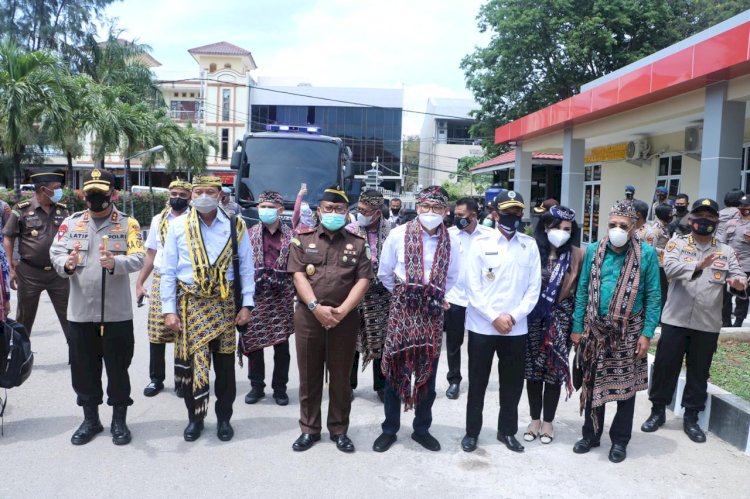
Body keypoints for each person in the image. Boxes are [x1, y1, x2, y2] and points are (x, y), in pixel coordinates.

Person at [49, 168, 145, 446]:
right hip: (80, 313)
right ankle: (91, 419)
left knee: (118, 369)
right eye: (90, 194)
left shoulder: (129, 224)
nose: (95, 199)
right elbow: (56, 251)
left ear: (113, 194)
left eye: (101, 194)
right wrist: (65, 264)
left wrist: (117, 263)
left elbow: (139, 257)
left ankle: (119, 421)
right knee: (83, 369)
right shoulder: (72, 223)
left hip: (116, 314)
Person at [642, 198, 747, 444]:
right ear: (691, 219)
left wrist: (739, 283)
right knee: (665, 368)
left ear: (716, 221)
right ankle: (657, 412)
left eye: (710, 218)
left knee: (699, 372)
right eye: (700, 215)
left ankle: (692, 417)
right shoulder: (676, 243)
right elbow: (670, 269)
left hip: (706, 323)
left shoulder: (726, 250)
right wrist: (699, 265)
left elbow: (737, 274)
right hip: (675, 320)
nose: (705, 221)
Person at [161, 175, 255, 442]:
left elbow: (247, 268)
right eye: (198, 191)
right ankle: (195, 418)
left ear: (220, 195)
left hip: (224, 306)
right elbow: (168, 271)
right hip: (191, 306)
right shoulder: (178, 226)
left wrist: (247, 304)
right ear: (191, 195)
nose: (203, 196)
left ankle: (224, 418)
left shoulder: (236, 226)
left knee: (225, 368)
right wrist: (169, 310)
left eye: (209, 191)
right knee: (192, 366)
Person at [571, 201, 661, 463]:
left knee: (625, 391)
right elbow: (583, 290)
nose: (617, 229)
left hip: (629, 332)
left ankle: (620, 441)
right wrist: (577, 327)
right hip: (594, 331)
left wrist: (646, 334)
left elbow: (654, 297)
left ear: (634, 227)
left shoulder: (646, 254)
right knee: (591, 383)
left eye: (623, 225)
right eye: (612, 225)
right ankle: (591, 435)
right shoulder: (594, 250)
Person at [373, 186, 459, 454]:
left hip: (432, 313)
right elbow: (385, 273)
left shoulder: (451, 241)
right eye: (425, 207)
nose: (430, 213)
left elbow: (454, 277)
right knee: (395, 371)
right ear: (418, 208)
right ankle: (390, 429)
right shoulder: (399, 235)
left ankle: (422, 429)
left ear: (445, 211)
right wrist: (406, 294)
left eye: (436, 208)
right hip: (402, 309)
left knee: (428, 376)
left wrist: (432, 295)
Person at [287, 185, 372, 453]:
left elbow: (363, 280)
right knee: (309, 376)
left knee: (340, 378)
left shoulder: (357, 243)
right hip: (309, 318)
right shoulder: (303, 239)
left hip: (344, 320)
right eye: (328, 209)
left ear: (347, 212)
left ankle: (339, 430)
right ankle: (309, 429)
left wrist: (343, 310)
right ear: (319, 210)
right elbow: (298, 275)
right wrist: (315, 307)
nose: (333, 213)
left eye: (338, 209)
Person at [460, 190, 541, 454]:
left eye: (518, 212)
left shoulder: (529, 245)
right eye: (508, 212)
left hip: (515, 328)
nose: (513, 216)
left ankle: (507, 431)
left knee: (512, 384)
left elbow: (533, 289)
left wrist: (513, 317)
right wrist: (494, 317)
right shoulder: (480, 244)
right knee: (478, 382)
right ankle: (472, 432)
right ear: (495, 214)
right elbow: (472, 287)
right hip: (483, 326)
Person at [523, 206, 583, 445]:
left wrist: (578, 327)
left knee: (554, 371)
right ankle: (534, 420)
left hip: (561, 319)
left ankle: (548, 422)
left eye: (567, 229)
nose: (561, 232)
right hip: (533, 318)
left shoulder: (578, 255)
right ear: (545, 227)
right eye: (556, 227)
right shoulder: (532, 250)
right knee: (532, 372)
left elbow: (582, 292)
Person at [135, 179, 192, 398]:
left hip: (185, 280)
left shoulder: (194, 220)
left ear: (189, 198)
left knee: (183, 331)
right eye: (173, 193)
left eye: (182, 194)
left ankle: (182, 379)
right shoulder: (159, 220)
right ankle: (156, 379)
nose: (177, 197)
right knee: (157, 332)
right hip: (160, 279)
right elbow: (151, 253)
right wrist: (140, 282)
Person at [241, 191, 294, 407]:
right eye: (262, 206)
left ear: (280, 210)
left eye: (270, 207)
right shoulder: (248, 233)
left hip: (281, 297)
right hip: (256, 296)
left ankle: (280, 389)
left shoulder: (292, 236)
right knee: (254, 344)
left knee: (281, 346)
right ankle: (256, 386)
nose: (265, 210)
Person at [4, 169, 70, 341]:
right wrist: (10, 267)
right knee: (25, 318)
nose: (59, 191)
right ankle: (20, 359)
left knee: (70, 316)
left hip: (59, 273)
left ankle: (79, 358)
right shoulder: (22, 210)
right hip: (29, 273)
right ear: (43, 190)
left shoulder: (63, 211)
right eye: (56, 188)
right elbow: (9, 237)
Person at [444, 197, 494, 400]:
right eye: (455, 215)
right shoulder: (449, 235)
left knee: (478, 343)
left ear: (473, 216)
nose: (456, 219)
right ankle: (454, 380)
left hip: (480, 300)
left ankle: (476, 380)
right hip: (455, 297)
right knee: (453, 342)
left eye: (460, 216)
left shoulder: (490, 236)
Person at [349, 190, 390, 402]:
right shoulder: (350, 230)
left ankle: (381, 386)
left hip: (382, 296)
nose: (360, 213)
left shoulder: (391, 231)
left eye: (365, 211)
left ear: (376, 212)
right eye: (359, 209)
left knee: (382, 341)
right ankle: (348, 385)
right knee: (351, 342)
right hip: (354, 293)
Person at [722, 194, 750, 327]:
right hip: (729, 265)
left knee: (742, 296)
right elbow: (722, 242)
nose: (743, 208)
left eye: (746, 206)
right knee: (725, 296)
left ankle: (738, 322)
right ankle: (726, 323)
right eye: (741, 206)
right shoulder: (731, 223)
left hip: (746, 266)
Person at [648, 204, 674, 309]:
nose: (672, 215)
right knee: (661, 292)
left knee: (665, 291)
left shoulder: (665, 227)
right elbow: (651, 249)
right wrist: (665, 252)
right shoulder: (656, 229)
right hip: (658, 265)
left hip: (665, 264)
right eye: (670, 213)